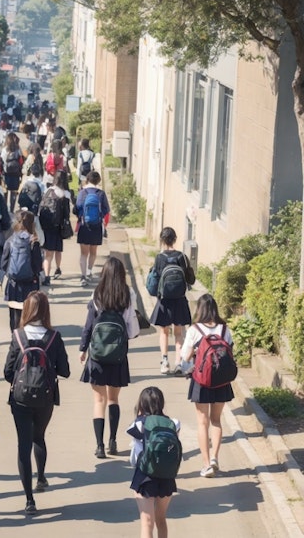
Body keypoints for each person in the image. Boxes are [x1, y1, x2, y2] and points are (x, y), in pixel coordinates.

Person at [4, 291, 70, 515]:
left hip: (20, 398)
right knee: (38, 436)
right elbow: (65, 371)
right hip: (45, 397)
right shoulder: (54, 337)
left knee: (23, 443)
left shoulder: (18, 336)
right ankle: (41, 477)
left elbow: (7, 371)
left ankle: (29, 500)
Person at [79, 256, 141, 458]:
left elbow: (89, 325)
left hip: (97, 354)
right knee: (113, 399)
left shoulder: (96, 294)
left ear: (104, 273)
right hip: (118, 355)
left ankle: (99, 446)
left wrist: (83, 348)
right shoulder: (128, 294)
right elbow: (132, 329)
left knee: (99, 400)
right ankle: (113, 441)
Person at [179, 294, 234, 478]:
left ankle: (206, 464)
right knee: (216, 420)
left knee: (202, 422)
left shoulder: (195, 329)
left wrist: (195, 351)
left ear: (200, 310)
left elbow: (185, 357)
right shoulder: (225, 328)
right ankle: (215, 458)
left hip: (201, 381)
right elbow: (231, 352)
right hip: (221, 380)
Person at [127, 386, 180, 537]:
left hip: (145, 476)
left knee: (147, 521)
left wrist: (139, 416)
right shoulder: (174, 423)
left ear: (141, 404)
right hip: (167, 475)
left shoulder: (139, 423)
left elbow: (135, 449)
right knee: (161, 519)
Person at [149, 227, 196, 374]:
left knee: (164, 332)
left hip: (164, 300)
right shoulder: (182, 256)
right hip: (180, 300)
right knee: (178, 333)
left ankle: (164, 362)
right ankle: (179, 363)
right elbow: (190, 279)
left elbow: (154, 280)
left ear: (162, 240)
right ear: (175, 239)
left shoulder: (159, 258)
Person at [0, 211, 44, 331]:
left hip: (13, 283)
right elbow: (38, 266)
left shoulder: (10, 240)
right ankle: (26, 334)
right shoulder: (33, 242)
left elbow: (3, 263)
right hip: (30, 283)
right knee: (29, 310)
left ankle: (15, 336)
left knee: (14, 313)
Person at [75, 171, 110, 287]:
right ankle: (90, 271)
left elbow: (76, 208)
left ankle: (83, 275)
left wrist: (81, 215)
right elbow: (106, 210)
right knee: (93, 252)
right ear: (98, 181)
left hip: (84, 226)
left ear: (87, 180)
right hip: (96, 226)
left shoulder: (82, 192)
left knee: (83, 253)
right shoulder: (101, 194)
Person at [39, 174, 72, 281]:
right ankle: (57, 268)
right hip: (57, 226)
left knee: (47, 253)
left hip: (46, 225)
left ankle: (47, 276)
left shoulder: (48, 190)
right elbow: (67, 213)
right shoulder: (65, 194)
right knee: (58, 250)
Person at [2, 132, 24, 212]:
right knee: (14, 192)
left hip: (6, 173)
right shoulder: (18, 150)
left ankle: (4, 209)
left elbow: (2, 161)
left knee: (5, 192)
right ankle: (11, 209)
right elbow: (21, 161)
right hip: (16, 174)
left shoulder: (5, 149)